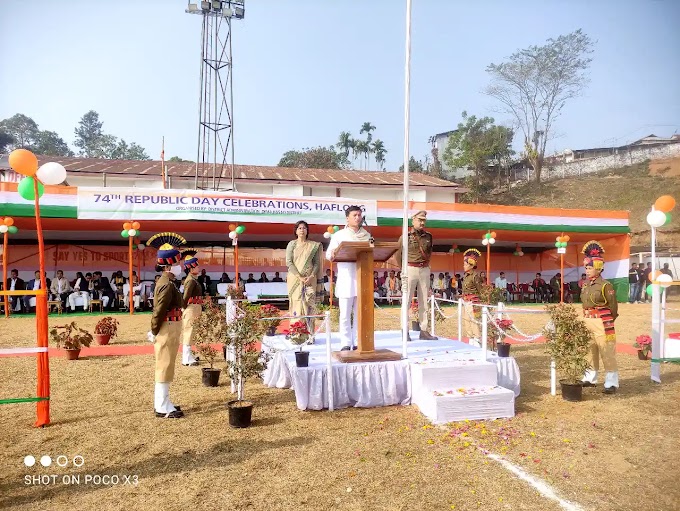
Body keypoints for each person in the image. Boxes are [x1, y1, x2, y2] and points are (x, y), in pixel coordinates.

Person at [147, 232, 187, 419]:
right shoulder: (166, 284)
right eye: (178, 263)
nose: (181, 267)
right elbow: (159, 310)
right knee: (164, 365)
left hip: (171, 326)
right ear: (170, 265)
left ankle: (164, 402)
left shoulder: (169, 282)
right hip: (167, 327)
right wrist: (154, 330)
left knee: (167, 365)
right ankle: (162, 406)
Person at [326, 206, 371, 350]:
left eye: (359, 215)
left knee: (360, 314)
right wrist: (333, 253)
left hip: (363, 277)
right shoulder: (340, 235)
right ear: (347, 218)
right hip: (346, 278)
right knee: (345, 314)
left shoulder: (367, 235)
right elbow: (328, 254)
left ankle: (359, 342)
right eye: (354, 215)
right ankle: (345, 343)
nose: (357, 217)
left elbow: (373, 252)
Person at [580, 241, 619, 394]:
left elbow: (613, 307)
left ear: (598, 268)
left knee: (606, 351)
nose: (587, 271)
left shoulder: (605, 285)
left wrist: (607, 320)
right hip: (587, 320)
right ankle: (590, 378)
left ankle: (611, 383)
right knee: (589, 351)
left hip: (602, 321)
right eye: (586, 268)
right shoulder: (585, 285)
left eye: (589, 268)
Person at [392, 210, 437, 340]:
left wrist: (427, 265)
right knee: (406, 301)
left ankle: (424, 330)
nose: (422, 222)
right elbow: (398, 254)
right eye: (419, 220)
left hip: (424, 269)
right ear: (413, 220)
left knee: (424, 301)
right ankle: (404, 331)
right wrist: (403, 269)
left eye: (424, 220)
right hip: (410, 269)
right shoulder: (405, 236)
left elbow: (429, 252)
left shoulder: (429, 236)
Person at [286, 220, 323, 331]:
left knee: (309, 304)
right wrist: (299, 277)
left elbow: (317, 263)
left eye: (304, 228)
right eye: (299, 228)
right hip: (295, 279)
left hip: (310, 280)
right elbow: (289, 262)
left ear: (307, 231)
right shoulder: (292, 244)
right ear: (296, 231)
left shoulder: (313, 246)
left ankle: (309, 333)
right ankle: (296, 332)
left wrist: (311, 276)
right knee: (296, 303)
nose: (302, 230)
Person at [180, 249, 202, 367]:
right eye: (197, 266)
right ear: (192, 268)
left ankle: (189, 355)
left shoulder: (193, 280)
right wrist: (183, 308)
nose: (198, 268)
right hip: (191, 307)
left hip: (195, 307)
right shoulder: (190, 281)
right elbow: (185, 296)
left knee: (192, 332)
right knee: (189, 331)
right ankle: (186, 358)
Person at [461, 249, 483, 342]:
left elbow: (480, 290)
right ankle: (470, 337)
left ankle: (477, 337)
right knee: (466, 319)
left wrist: (480, 301)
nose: (464, 266)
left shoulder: (475, 276)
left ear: (471, 265)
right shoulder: (466, 276)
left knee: (473, 319)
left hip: (473, 301)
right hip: (465, 300)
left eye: (465, 264)